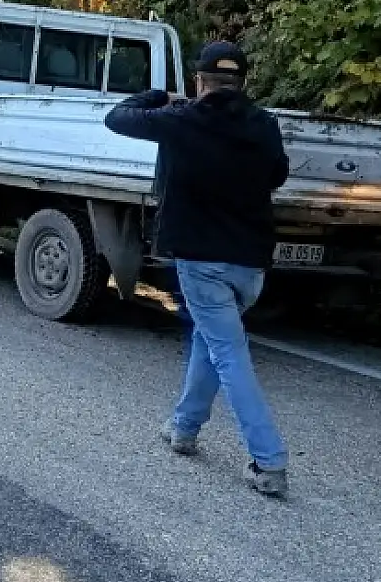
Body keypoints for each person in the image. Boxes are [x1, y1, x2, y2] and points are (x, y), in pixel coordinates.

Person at [104, 41, 292, 497]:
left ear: (199, 81)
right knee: (212, 343)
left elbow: (117, 117)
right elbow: (278, 175)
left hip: (202, 262)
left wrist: (158, 97)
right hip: (251, 266)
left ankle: (269, 461)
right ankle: (183, 428)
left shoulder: (181, 119)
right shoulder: (264, 125)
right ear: (243, 82)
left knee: (229, 354)